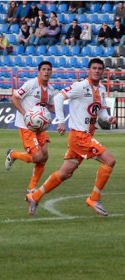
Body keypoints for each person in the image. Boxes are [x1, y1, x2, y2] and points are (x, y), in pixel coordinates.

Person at [26, 58, 117, 217]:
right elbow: (59, 97)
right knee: (110, 160)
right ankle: (94, 198)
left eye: (99, 69)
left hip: (85, 135)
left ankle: (35, 196)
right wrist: (61, 120)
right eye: (94, 68)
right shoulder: (81, 86)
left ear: (103, 71)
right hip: (79, 136)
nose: (97, 71)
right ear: (88, 70)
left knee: (65, 173)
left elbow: (100, 111)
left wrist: (108, 118)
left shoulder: (101, 89)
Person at [5, 61, 55, 195]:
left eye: (48, 69)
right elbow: (14, 98)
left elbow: (50, 106)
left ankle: (31, 188)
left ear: (51, 72)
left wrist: (61, 114)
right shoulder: (31, 84)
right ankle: (13, 154)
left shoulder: (50, 89)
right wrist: (25, 114)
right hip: (26, 125)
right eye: (43, 69)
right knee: (38, 156)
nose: (46, 72)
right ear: (39, 71)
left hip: (40, 127)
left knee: (44, 156)